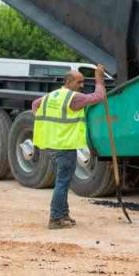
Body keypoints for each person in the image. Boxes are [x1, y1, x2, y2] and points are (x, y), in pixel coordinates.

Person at [31, 65, 107, 229]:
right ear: (68, 81)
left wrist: (43, 122)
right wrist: (99, 79)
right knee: (62, 182)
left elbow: (35, 105)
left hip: (51, 144)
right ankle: (56, 218)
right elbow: (99, 96)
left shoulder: (53, 95)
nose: (81, 86)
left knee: (62, 180)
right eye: (79, 82)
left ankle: (63, 214)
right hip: (64, 146)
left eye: (83, 82)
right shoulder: (73, 98)